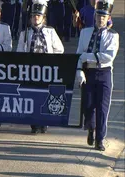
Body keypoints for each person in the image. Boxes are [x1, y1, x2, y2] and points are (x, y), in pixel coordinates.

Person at [76, 0, 119, 151]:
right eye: (98, 15)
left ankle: (100, 139)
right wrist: (79, 70)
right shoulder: (85, 32)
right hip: (88, 72)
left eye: (104, 16)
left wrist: (88, 57)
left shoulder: (113, 36)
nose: (101, 19)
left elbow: (109, 56)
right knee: (88, 106)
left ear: (108, 18)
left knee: (102, 107)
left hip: (104, 73)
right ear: (94, 16)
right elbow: (78, 54)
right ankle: (91, 129)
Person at [16, 0, 64, 134]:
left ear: (43, 18)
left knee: (45, 96)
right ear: (30, 17)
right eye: (33, 15)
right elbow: (19, 52)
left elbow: (60, 49)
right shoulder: (24, 33)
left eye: (38, 15)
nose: (35, 18)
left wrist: (50, 61)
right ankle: (34, 124)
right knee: (32, 96)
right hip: (30, 70)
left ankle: (45, 122)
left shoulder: (50, 32)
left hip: (46, 70)